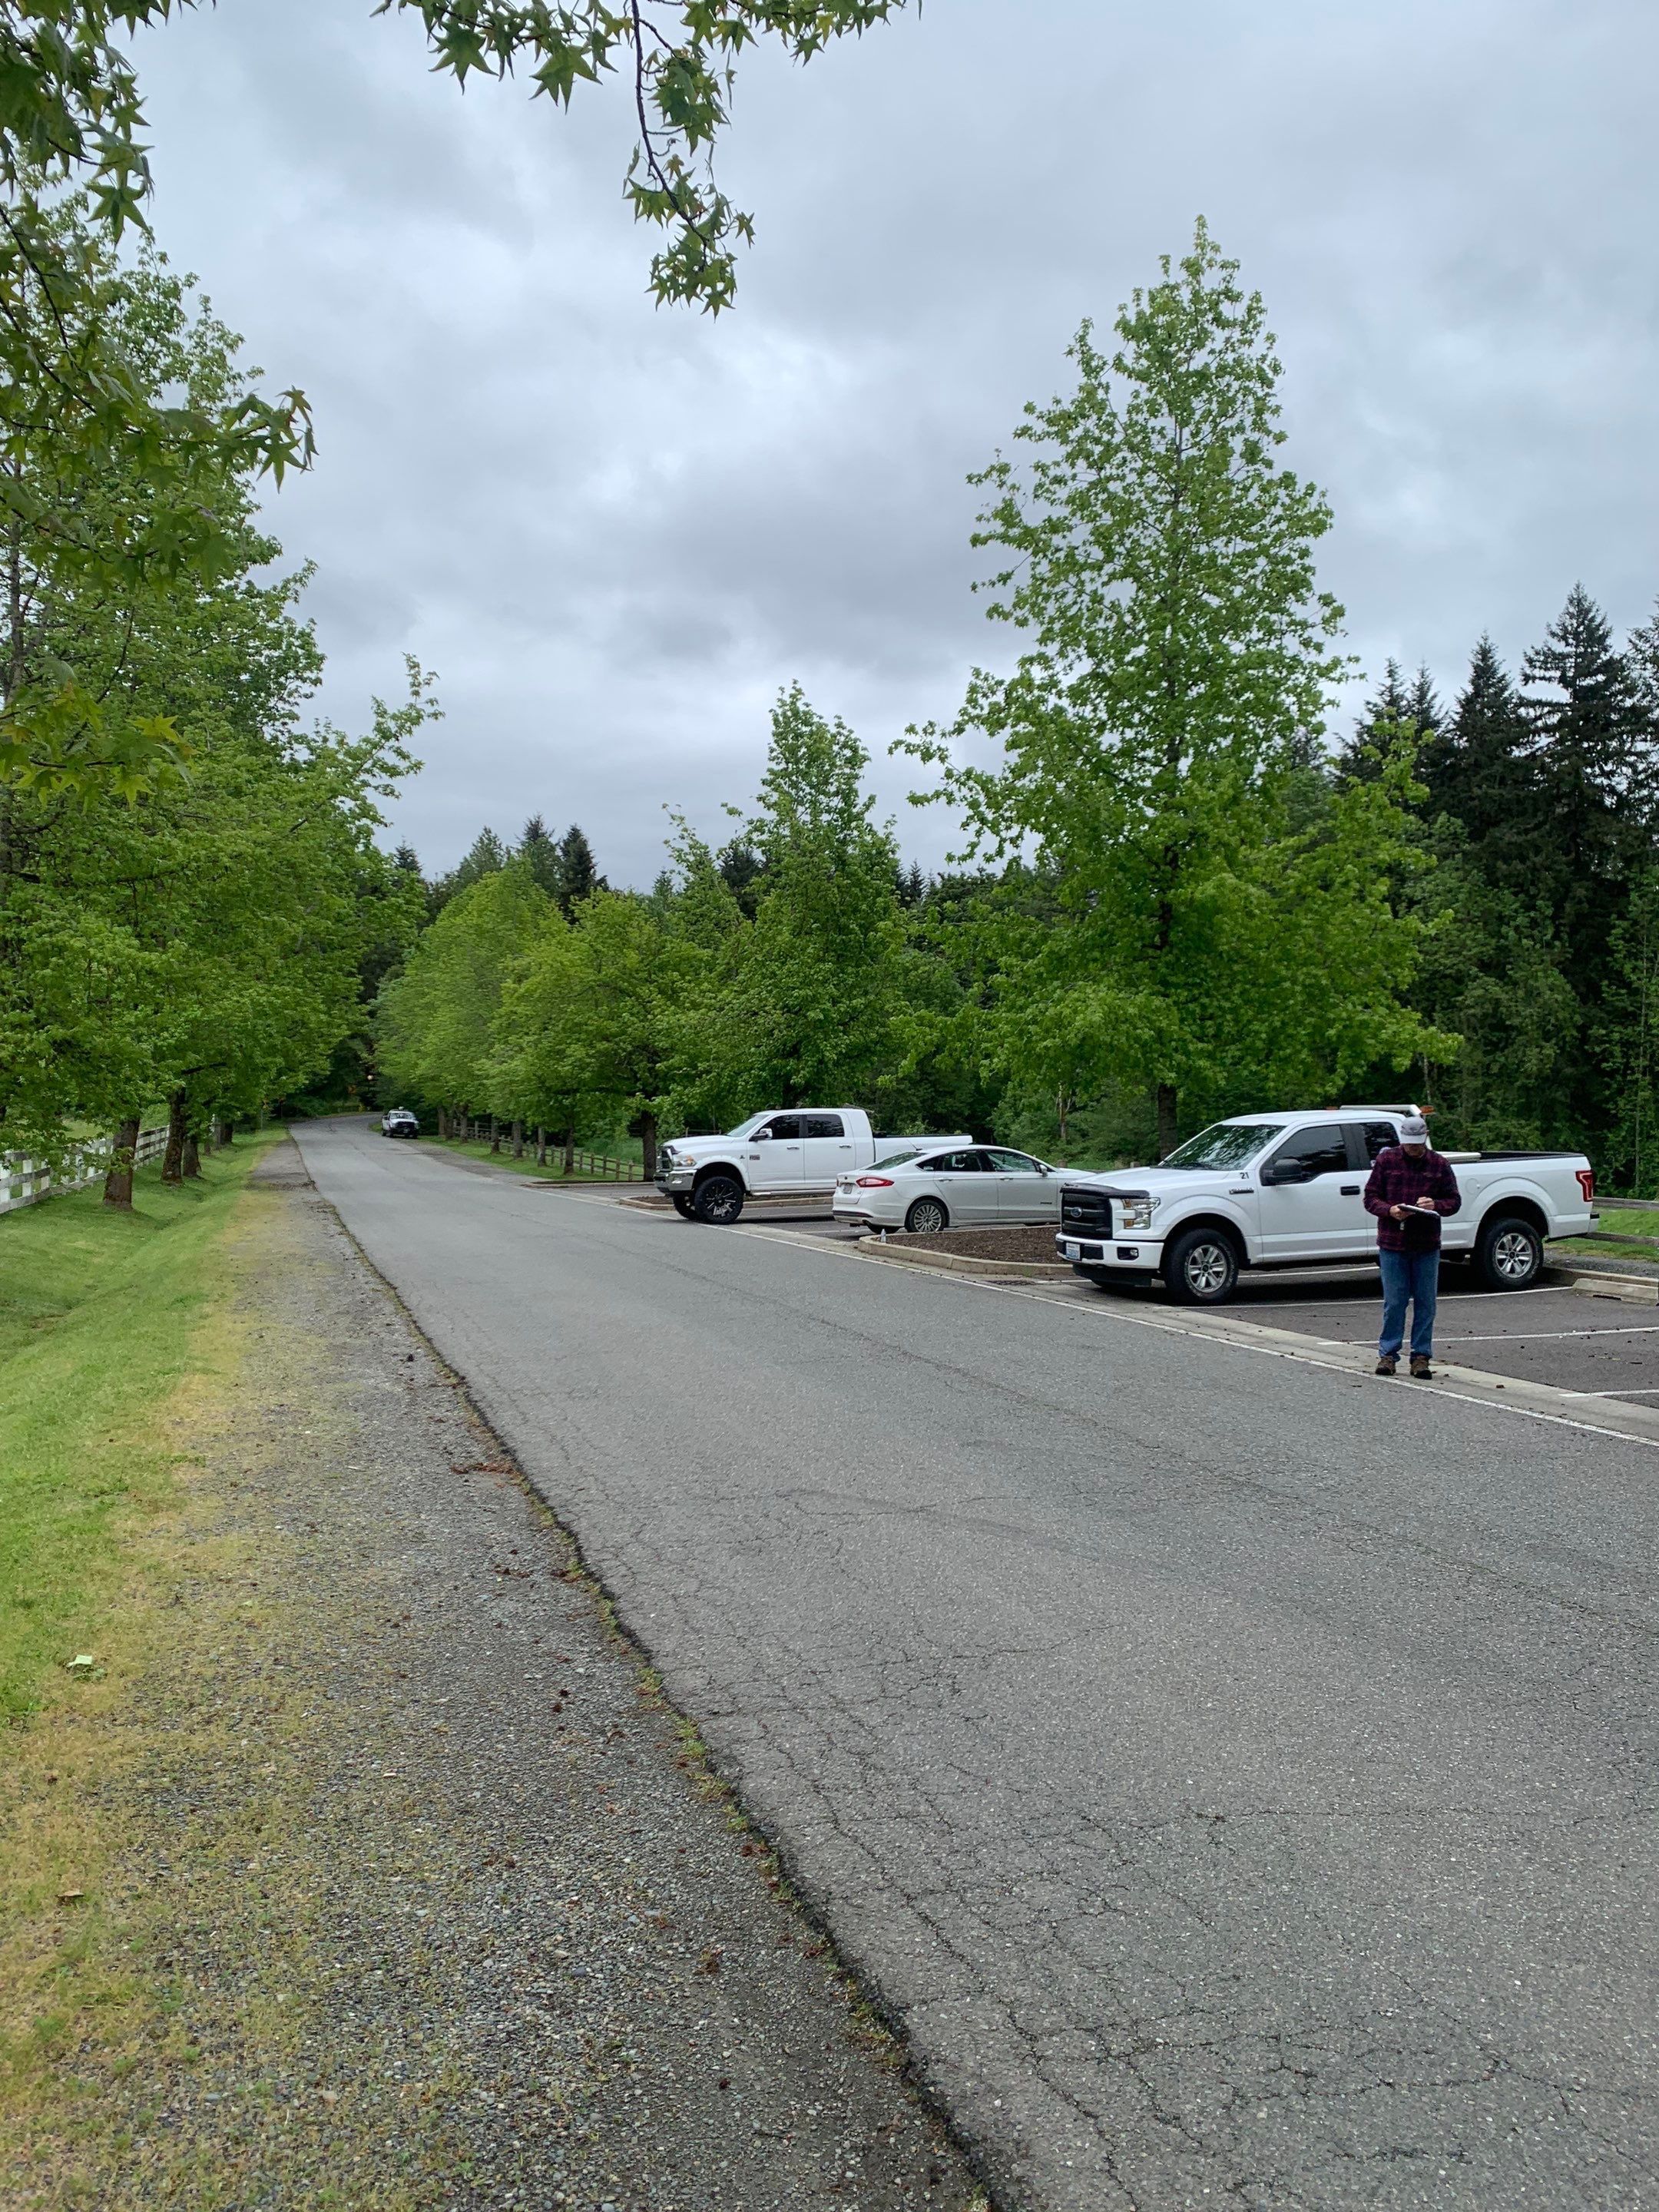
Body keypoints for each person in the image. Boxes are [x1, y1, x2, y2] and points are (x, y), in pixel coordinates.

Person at [1363, 1113, 1461, 1379]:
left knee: (1426, 1303)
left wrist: (1435, 1204)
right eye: (1409, 1144)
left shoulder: (1439, 1164)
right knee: (1395, 1302)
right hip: (1392, 1243)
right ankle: (1388, 1354)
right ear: (1402, 1140)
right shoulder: (1386, 1161)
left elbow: (1454, 1201)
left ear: (1425, 1137)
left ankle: (1421, 1357)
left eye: (1417, 1144)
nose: (1413, 1149)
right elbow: (1370, 1197)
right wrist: (1389, 1210)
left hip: (1426, 1244)